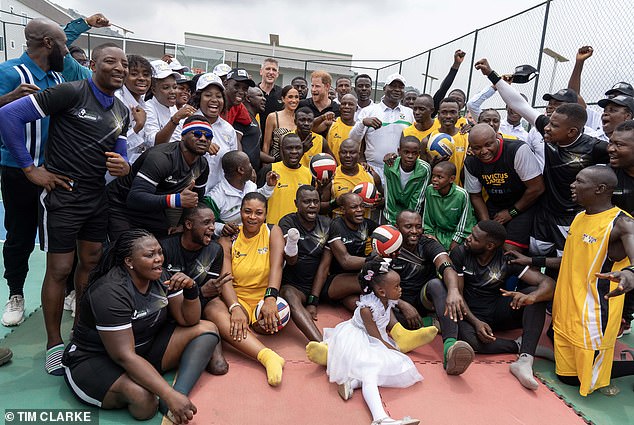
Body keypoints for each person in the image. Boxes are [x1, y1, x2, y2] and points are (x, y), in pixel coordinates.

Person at [0, 43, 131, 374]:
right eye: (110, 61)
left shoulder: (122, 110)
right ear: (94, 65)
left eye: (124, 63)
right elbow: (8, 115)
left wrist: (124, 165)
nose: (119, 68)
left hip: (96, 197)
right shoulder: (70, 92)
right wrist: (30, 169)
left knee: (90, 263)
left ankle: (81, 335)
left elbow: (121, 150)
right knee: (59, 269)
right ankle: (53, 343)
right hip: (63, 195)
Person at [0, 14, 109, 327]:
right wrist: (8, 99)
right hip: (20, 171)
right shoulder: (9, 72)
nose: (67, 48)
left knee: (69, 237)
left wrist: (83, 22)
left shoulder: (62, 78)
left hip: (60, 173)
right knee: (19, 236)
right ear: (48, 44)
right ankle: (16, 294)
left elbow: (66, 39)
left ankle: (73, 291)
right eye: (63, 44)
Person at [61, 229, 221, 423]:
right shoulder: (111, 291)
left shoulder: (162, 276)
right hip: (96, 358)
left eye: (160, 252)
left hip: (141, 348)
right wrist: (167, 393)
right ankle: (168, 397)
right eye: (149, 255)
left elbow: (188, 320)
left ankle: (178, 395)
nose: (159, 259)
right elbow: (123, 355)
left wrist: (191, 290)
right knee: (144, 404)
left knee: (207, 330)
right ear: (129, 262)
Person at [474, 58, 609, 258]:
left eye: (554, 126)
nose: (546, 127)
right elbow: (518, 104)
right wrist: (492, 74)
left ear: (571, 132)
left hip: (572, 217)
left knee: (564, 261)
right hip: (543, 212)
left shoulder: (595, 147)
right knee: (534, 255)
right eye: (548, 121)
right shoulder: (547, 131)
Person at [308, 257, 424, 425]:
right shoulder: (367, 310)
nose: (400, 290)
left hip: (374, 338)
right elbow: (375, 337)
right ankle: (380, 418)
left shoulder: (387, 299)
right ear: (382, 291)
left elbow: (382, 331)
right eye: (397, 286)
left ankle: (352, 383)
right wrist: (392, 350)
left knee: (391, 366)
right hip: (358, 339)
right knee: (371, 371)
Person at [554, 165, 634, 396]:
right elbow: (573, 258)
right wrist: (530, 259)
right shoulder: (580, 217)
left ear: (600, 188)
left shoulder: (621, 224)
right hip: (566, 310)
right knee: (566, 378)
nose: (572, 185)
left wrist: (630, 273)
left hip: (595, 315)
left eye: (579, 181)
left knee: (589, 382)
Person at [450, 220, 555, 390]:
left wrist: (531, 297)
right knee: (470, 342)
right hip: (470, 313)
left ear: (490, 245)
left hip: (498, 310)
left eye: (475, 238)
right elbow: (458, 296)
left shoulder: (507, 259)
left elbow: (548, 283)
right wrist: (476, 322)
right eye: (471, 234)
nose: (468, 238)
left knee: (535, 296)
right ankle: (522, 345)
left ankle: (525, 360)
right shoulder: (460, 253)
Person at [204, 193, 287, 386]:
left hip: (263, 299)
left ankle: (247, 330)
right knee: (212, 310)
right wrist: (234, 307)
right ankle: (267, 357)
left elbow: (276, 267)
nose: (252, 217)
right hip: (236, 296)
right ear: (240, 212)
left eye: (259, 213)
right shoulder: (228, 238)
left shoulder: (272, 231)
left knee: (275, 319)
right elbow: (225, 279)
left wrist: (270, 298)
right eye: (247, 211)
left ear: (265, 215)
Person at [393, 210, 475, 375]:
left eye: (418, 226)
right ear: (397, 227)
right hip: (396, 302)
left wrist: (453, 291)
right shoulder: (388, 243)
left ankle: (450, 349)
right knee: (373, 307)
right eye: (408, 227)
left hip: (423, 298)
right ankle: (429, 322)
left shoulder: (428, 243)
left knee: (437, 284)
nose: (414, 231)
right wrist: (401, 304)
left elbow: (446, 266)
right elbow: (376, 283)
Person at [107, 115, 212, 240]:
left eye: (208, 136)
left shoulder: (203, 165)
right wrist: (177, 200)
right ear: (183, 136)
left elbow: (196, 200)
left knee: (166, 246)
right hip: (121, 205)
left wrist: (182, 224)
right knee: (126, 249)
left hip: (153, 210)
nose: (203, 139)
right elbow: (134, 198)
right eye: (197, 134)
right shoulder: (161, 157)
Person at [160, 204, 232, 375]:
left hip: (198, 309)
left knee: (219, 367)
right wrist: (200, 292)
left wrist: (203, 293)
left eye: (213, 223)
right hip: (168, 313)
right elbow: (158, 294)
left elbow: (209, 292)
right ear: (189, 224)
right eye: (206, 223)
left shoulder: (215, 250)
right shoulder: (164, 249)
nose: (212, 228)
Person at [464, 124, 544, 251]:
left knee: (509, 249)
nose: (484, 151)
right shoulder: (470, 161)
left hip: (524, 204)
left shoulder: (517, 150)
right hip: (495, 204)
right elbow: (476, 196)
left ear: (497, 137)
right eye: (477, 148)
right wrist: (487, 226)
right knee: (480, 244)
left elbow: (537, 188)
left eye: (488, 145)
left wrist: (511, 212)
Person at [279, 186, 331, 342]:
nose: (313, 205)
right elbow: (291, 260)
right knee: (287, 293)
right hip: (295, 286)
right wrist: (292, 243)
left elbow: (325, 265)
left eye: (316, 201)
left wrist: (313, 301)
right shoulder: (287, 221)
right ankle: (322, 345)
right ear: (296, 203)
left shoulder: (327, 223)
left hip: (321, 284)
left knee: (360, 280)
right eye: (307, 202)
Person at [350, 74, 414, 185]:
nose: (397, 90)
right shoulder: (369, 111)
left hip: (400, 170)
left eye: (401, 87)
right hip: (372, 169)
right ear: (384, 88)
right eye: (393, 86)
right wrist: (363, 123)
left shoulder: (410, 113)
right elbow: (353, 139)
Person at [203, 150, 277, 237]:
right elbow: (206, 223)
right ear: (241, 170)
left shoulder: (250, 185)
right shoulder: (215, 197)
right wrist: (223, 228)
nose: (252, 167)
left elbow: (257, 198)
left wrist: (269, 186)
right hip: (228, 239)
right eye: (249, 164)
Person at [189, 72, 239, 192]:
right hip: (189, 194)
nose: (214, 100)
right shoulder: (186, 122)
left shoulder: (228, 129)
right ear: (199, 98)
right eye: (208, 95)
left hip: (217, 198)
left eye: (218, 96)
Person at [608, 120, 634, 336]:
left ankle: (625, 315)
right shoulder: (609, 174)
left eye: (619, 145)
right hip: (614, 243)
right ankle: (619, 315)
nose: (611, 149)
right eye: (610, 143)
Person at [259, 133, 313, 225]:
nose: (294, 151)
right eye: (289, 148)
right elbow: (257, 199)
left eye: (298, 148)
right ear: (282, 149)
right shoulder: (270, 170)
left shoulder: (309, 173)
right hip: (274, 229)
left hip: (299, 231)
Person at [322, 138, 382, 218]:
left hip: (364, 227)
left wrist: (378, 201)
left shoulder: (371, 175)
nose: (348, 156)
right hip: (339, 227)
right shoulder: (332, 177)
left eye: (352, 152)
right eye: (344, 152)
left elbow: (384, 202)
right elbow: (321, 209)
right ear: (339, 154)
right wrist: (337, 202)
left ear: (359, 154)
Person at [423, 161, 475, 250]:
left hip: (457, 236)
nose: (434, 180)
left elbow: (465, 223)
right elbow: (427, 219)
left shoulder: (461, 194)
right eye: (433, 176)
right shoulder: (429, 190)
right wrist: (431, 236)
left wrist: (455, 243)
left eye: (439, 177)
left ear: (451, 179)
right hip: (437, 234)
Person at [144, 60, 196, 146]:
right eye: (166, 87)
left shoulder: (173, 108)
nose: (173, 91)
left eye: (175, 87)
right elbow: (155, 143)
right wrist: (176, 118)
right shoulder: (148, 108)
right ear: (153, 90)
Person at [382, 136, 431, 224]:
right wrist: (392, 221)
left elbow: (417, 199)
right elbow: (389, 196)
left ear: (419, 153)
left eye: (414, 153)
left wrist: (408, 220)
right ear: (399, 151)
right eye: (406, 152)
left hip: (412, 215)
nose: (410, 156)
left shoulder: (424, 169)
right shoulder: (390, 166)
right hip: (392, 213)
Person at [115, 54, 151, 164]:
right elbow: (113, 144)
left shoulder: (142, 103)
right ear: (124, 76)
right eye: (134, 74)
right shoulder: (117, 101)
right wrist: (138, 126)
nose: (141, 78)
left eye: (146, 75)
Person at [427, 97, 469, 185]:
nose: (448, 116)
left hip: (458, 193)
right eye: (444, 112)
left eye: (453, 112)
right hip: (434, 193)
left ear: (459, 115)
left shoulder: (467, 137)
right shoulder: (428, 139)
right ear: (438, 115)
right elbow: (423, 172)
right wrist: (432, 165)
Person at [263, 85, 299, 162]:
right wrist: (265, 166)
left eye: (296, 97)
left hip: (295, 163)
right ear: (283, 99)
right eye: (290, 97)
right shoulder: (273, 117)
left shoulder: (300, 119)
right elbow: (266, 144)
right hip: (276, 162)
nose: (294, 100)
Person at [236, 85, 268, 171]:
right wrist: (243, 166)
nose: (264, 99)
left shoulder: (254, 119)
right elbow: (236, 142)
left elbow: (255, 151)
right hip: (243, 172)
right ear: (248, 98)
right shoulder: (241, 118)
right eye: (260, 95)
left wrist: (276, 159)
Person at [327, 93, 357, 164]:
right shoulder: (331, 123)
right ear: (340, 107)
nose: (347, 106)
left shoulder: (359, 129)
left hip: (352, 172)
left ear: (356, 108)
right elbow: (313, 128)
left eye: (350, 104)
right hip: (333, 170)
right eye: (344, 104)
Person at [258, 58, 283, 140]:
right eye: (268, 69)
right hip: (255, 138)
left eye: (274, 70)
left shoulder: (282, 94)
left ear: (278, 74)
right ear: (261, 71)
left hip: (275, 141)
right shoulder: (251, 91)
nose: (271, 72)